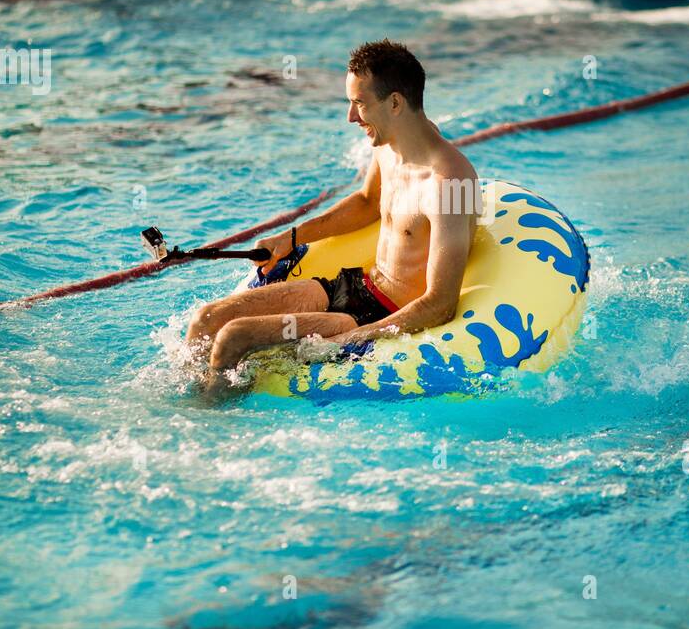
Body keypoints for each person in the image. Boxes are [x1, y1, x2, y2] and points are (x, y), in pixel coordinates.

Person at [187, 39, 479, 380]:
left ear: (396, 102)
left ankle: (206, 420)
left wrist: (350, 338)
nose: (351, 116)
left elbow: (440, 305)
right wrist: (291, 236)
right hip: (354, 285)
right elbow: (368, 202)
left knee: (233, 337)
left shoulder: (451, 184)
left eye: (360, 104)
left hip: (378, 316)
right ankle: (186, 397)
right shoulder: (392, 143)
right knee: (206, 320)